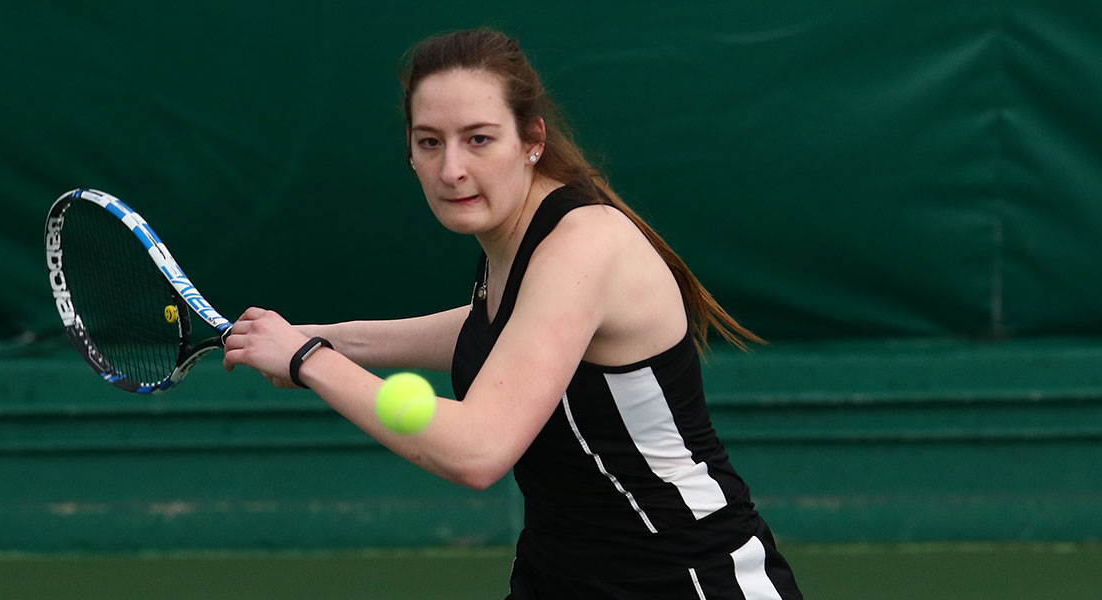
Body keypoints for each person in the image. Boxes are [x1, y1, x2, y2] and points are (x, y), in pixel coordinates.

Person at [221, 28, 804, 599]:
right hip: (559, 572)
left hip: (684, 575)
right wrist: (331, 337)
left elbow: (478, 452)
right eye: (430, 142)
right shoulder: (511, 241)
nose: (452, 170)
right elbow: (495, 329)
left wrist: (308, 360)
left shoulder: (583, 244)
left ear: (532, 140)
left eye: (478, 139)